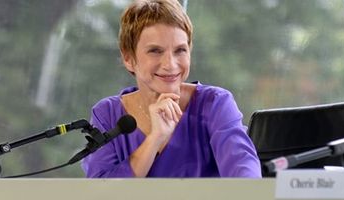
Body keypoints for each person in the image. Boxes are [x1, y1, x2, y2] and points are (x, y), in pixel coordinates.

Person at [81, 0, 261, 178]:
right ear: (128, 58)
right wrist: (155, 138)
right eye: (155, 51)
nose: (170, 64)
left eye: (180, 50)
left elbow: (245, 173)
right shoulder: (107, 114)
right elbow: (101, 192)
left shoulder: (214, 103)